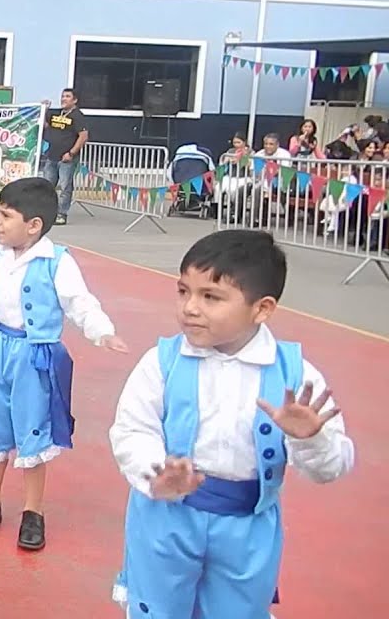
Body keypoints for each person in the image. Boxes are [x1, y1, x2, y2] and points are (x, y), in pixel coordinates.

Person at [109, 230, 354, 618]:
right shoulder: (161, 362)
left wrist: (311, 439)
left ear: (262, 308)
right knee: (156, 609)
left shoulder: (296, 378)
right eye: (183, 291)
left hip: (248, 530)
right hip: (167, 518)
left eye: (211, 297)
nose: (190, 307)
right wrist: (155, 472)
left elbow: (332, 466)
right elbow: (131, 429)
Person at [0, 177, 127, 551]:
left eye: (5, 215)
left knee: (32, 428)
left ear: (33, 225)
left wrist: (102, 332)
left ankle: (33, 510)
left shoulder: (56, 262)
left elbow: (80, 302)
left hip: (35, 354)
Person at [40, 88, 88, 226]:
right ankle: (48, 212)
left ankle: (62, 214)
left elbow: (83, 136)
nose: (63, 99)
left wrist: (71, 153)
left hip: (66, 158)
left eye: (67, 96)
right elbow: (45, 125)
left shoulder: (77, 116)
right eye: (62, 96)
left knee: (65, 186)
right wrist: (43, 110)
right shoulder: (57, 114)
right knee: (48, 185)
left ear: (74, 100)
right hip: (52, 156)